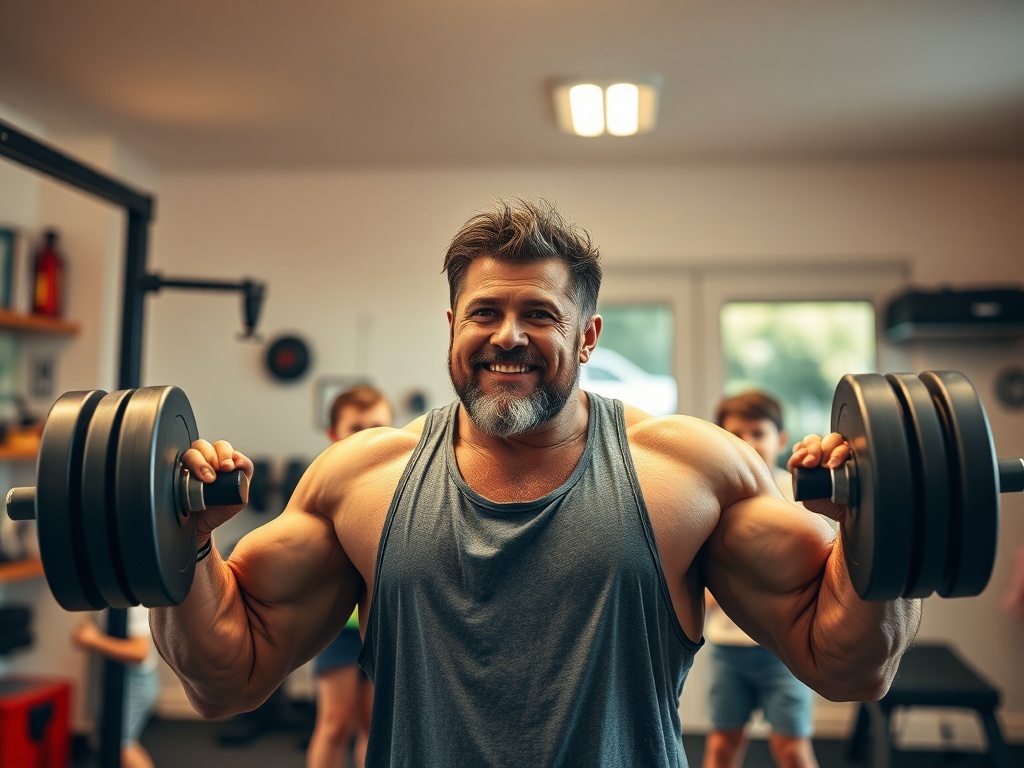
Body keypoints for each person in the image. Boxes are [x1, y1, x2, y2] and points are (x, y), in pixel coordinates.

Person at [151, 197, 921, 767]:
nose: (508, 335)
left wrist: (881, 527)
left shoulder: (693, 471)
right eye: (483, 312)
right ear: (452, 326)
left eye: (541, 315)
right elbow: (226, 680)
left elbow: (851, 667)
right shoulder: (359, 480)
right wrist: (181, 545)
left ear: (587, 336)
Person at [703, 391, 819, 768]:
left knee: (791, 748)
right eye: (737, 434)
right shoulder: (712, 495)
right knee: (723, 744)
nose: (748, 442)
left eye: (758, 433)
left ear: (780, 439)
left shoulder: (799, 494)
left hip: (785, 650)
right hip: (728, 649)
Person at [307, 384, 394, 768]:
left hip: (383, 626)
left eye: (377, 426)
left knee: (375, 730)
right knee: (334, 724)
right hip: (337, 629)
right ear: (333, 434)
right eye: (356, 428)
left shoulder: (401, 490)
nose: (368, 437)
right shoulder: (320, 489)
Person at [72, 606, 159, 768]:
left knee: (122, 746)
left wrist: (93, 640)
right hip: (117, 680)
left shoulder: (132, 605)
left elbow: (139, 652)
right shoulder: (105, 599)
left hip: (136, 684)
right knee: (110, 742)